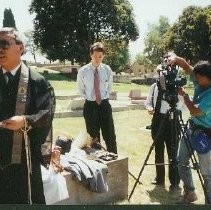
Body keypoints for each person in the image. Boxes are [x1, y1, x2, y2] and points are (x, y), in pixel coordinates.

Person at [0, 27, 55, 204]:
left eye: (4, 44)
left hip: (24, 159)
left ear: (20, 47)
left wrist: (25, 120)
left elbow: (46, 113)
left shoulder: (37, 81)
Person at [168, 52, 211, 204]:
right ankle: (190, 193)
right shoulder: (200, 77)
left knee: (207, 173)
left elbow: (195, 111)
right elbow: (185, 66)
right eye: (196, 77)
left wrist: (184, 96)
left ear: (208, 77)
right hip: (191, 129)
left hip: (206, 135)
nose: (196, 80)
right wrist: (173, 59)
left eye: (199, 78)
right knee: (181, 161)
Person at [77, 42, 117, 154]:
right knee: (94, 138)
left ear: (103, 56)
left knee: (110, 135)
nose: (97, 59)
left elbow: (109, 88)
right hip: (90, 106)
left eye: (100, 56)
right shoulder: (83, 71)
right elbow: (80, 89)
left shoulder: (107, 69)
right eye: (95, 56)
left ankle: (114, 159)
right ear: (91, 55)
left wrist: (102, 98)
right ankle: (97, 163)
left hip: (104, 104)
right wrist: (90, 98)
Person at [145, 71, 181, 191]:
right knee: (158, 150)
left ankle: (174, 180)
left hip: (172, 121)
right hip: (157, 120)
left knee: (173, 151)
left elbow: (181, 104)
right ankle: (159, 178)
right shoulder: (154, 86)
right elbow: (148, 102)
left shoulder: (176, 86)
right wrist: (149, 108)